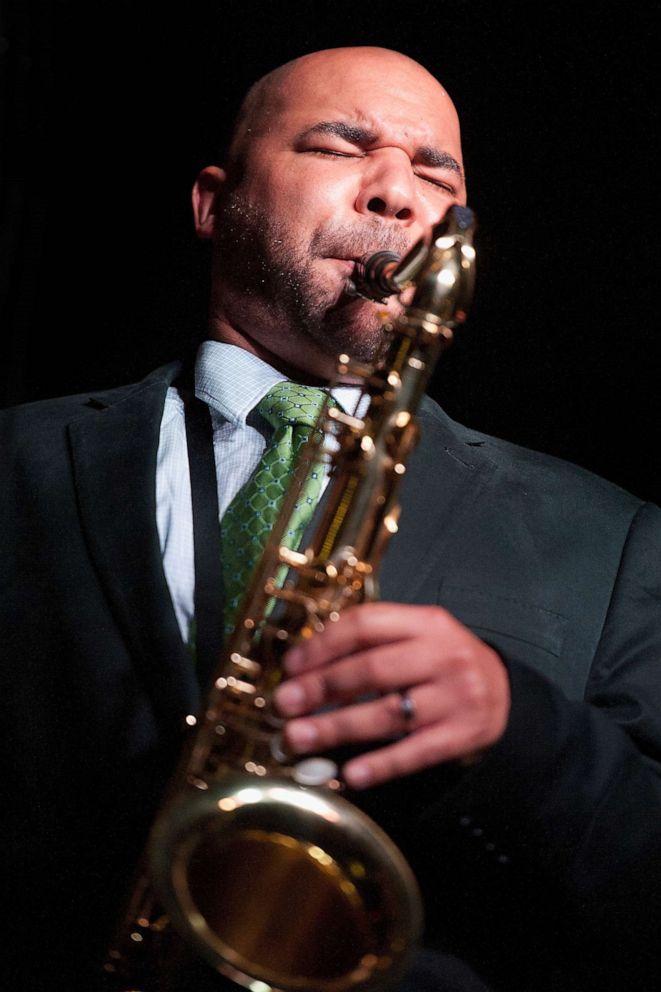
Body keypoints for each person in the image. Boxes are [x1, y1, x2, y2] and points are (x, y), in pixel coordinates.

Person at [2, 45, 660, 992]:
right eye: (338, 147)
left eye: (436, 173)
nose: (396, 194)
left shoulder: (608, 536)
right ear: (212, 202)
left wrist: (521, 729)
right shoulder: (16, 462)